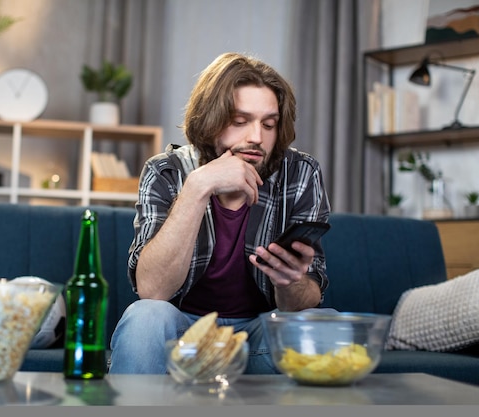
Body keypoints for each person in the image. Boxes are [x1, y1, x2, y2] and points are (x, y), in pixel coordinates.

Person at [108, 52, 331, 374]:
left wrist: (290, 282)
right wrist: (198, 187)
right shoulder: (166, 171)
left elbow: (308, 298)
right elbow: (152, 289)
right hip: (183, 333)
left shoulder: (300, 173)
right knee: (146, 317)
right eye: (240, 121)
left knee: (319, 324)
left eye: (269, 124)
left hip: (260, 334)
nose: (256, 137)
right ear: (209, 120)